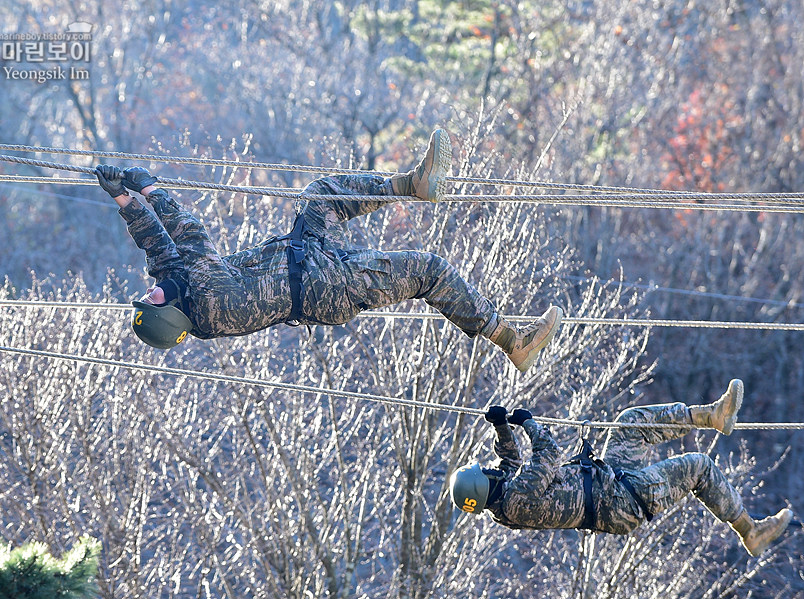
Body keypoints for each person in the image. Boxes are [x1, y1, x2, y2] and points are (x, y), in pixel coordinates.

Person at [95, 129, 563, 372]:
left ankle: (411, 184)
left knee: (323, 195)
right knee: (429, 271)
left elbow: (159, 249)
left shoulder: (179, 288)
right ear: (171, 315)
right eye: (151, 302)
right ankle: (511, 341)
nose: (151, 291)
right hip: (328, 286)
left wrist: (122, 198)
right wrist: (152, 188)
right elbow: (190, 237)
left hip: (304, 257)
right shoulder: (211, 302)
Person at [450, 379, 794, 556]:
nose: (491, 470)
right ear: (482, 486)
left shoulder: (503, 498)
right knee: (699, 467)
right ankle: (750, 531)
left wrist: (501, 428)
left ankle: (710, 415)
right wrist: (530, 424)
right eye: (485, 473)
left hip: (610, 481)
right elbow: (547, 454)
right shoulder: (517, 499)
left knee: (629, 423)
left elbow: (509, 464)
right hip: (621, 502)